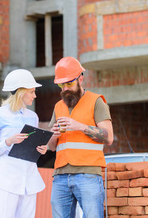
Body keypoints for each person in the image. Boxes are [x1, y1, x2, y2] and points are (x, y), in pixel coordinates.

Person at [47, 57, 114, 218]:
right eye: (61, 85)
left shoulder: (96, 102)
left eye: (69, 83)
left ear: (81, 79)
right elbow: (51, 146)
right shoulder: (58, 106)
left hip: (88, 174)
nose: (65, 88)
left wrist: (80, 126)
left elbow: (108, 137)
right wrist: (53, 135)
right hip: (61, 176)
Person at [0, 69, 48, 218]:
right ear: (21, 92)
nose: (35, 95)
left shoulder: (33, 117)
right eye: (31, 92)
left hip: (29, 179)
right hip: (6, 178)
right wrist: (8, 141)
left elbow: (32, 146)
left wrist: (41, 149)